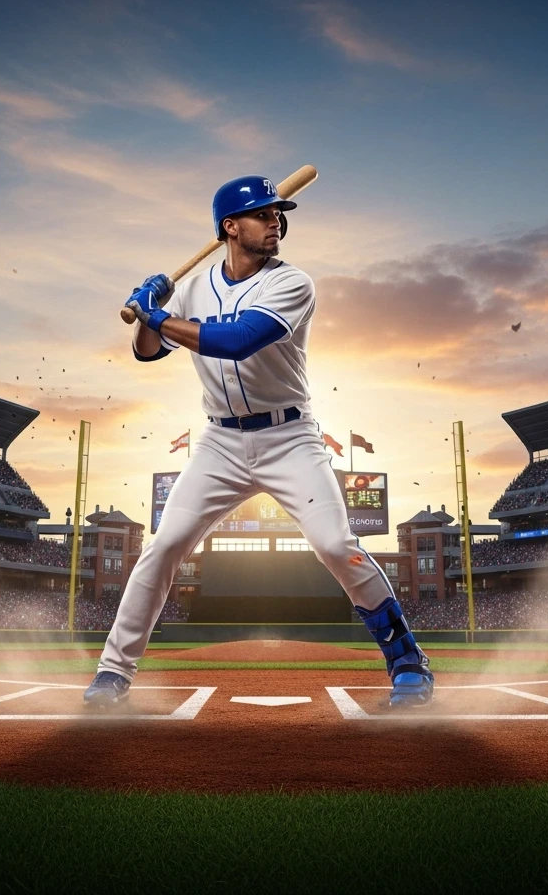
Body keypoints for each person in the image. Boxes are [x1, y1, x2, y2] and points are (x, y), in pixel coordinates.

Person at [84, 175, 433, 709]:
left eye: (277, 213)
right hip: (220, 442)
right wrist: (148, 308)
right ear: (230, 227)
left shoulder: (292, 283)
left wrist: (158, 314)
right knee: (163, 546)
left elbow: (237, 341)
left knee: (337, 546)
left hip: (289, 437)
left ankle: (408, 661)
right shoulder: (194, 288)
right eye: (263, 214)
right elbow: (147, 352)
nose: (276, 222)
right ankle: (112, 675)